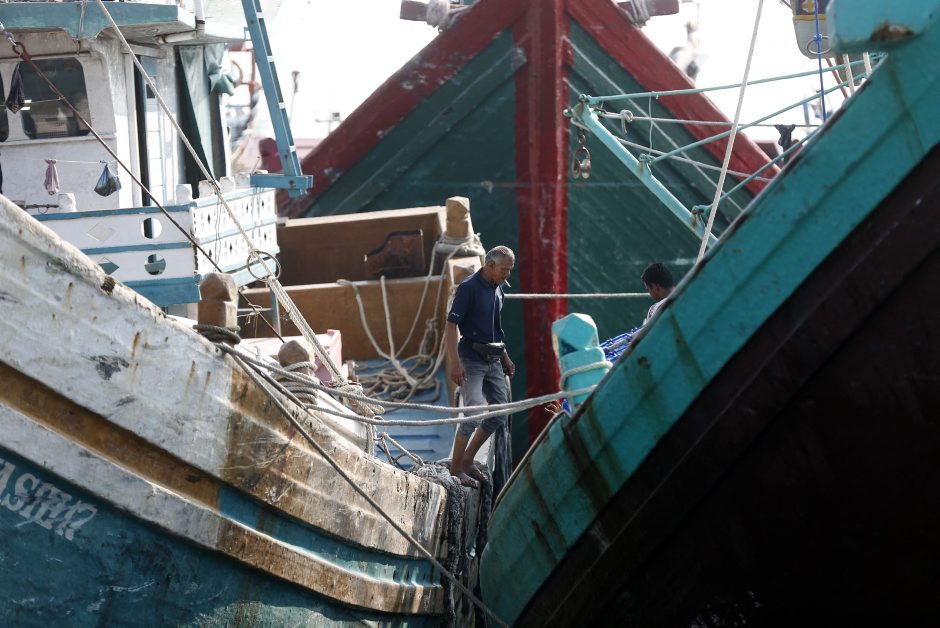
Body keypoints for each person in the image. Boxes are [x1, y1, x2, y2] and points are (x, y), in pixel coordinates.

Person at [445, 245, 516, 487]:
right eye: (505, 269)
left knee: (499, 414)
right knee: (473, 412)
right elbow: (451, 326)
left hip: (493, 358)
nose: (508, 274)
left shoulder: (498, 287)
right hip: (472, 359)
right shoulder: (469, 288)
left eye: (510, 269)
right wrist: (455, 363)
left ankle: (468, 461)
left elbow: (495, 327)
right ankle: (456, 469)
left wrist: (505, 357)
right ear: (490, 265)